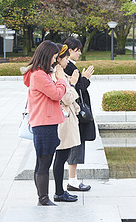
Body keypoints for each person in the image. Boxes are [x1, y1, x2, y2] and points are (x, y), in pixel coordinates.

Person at [22, 40, 67, 206]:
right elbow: (56, 94)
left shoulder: (40, 73)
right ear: (47, 56)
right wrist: (61, 80)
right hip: (44, 124)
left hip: (45, 122)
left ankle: (43, 197)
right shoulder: (39, 75)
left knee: (42, 161)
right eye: (54, 57)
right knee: (44, 162)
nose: (55, 61)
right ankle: (43, 199)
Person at [63, 37, 95, 191]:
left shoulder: (70, 66)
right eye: (77, 50)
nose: (80, 53)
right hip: (74, 112)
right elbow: (76, 89)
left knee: (76, 144)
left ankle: (72, 179)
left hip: (73, 111)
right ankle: (72, 180)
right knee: (75, 144)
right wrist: (86, 79)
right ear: (69, 50)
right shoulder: (68, 67)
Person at [52, 44, 81, 202]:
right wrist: (73, 83)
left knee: (62, 156)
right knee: (61, 155)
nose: (67, 62)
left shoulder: (60, 71)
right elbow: (66, 97)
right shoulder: (58, 72)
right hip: (63, 119)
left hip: (65, 117)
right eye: (65, 58)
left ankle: (60, 191)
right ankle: (59, 192)